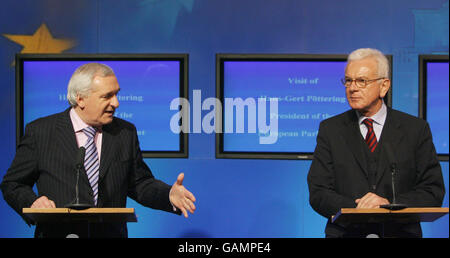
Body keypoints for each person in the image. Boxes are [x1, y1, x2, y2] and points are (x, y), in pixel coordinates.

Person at [0, 63, 196, 238]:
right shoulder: (41, 132)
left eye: (116, 93)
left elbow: (139, 183)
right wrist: (33, 202)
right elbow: (13, 184)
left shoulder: (125, 133)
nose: (116, 103)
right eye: (107, 96)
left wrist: (167, 194)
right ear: (81, 99)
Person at [307, 48, 445, 238]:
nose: (352, 88)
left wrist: (387, 203)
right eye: (348, 80)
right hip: (347, 234)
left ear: (384, 86)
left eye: (361, 81)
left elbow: (432, 191)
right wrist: (358, 209)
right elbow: (318, 192)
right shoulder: (331, 130)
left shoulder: (415, 129)